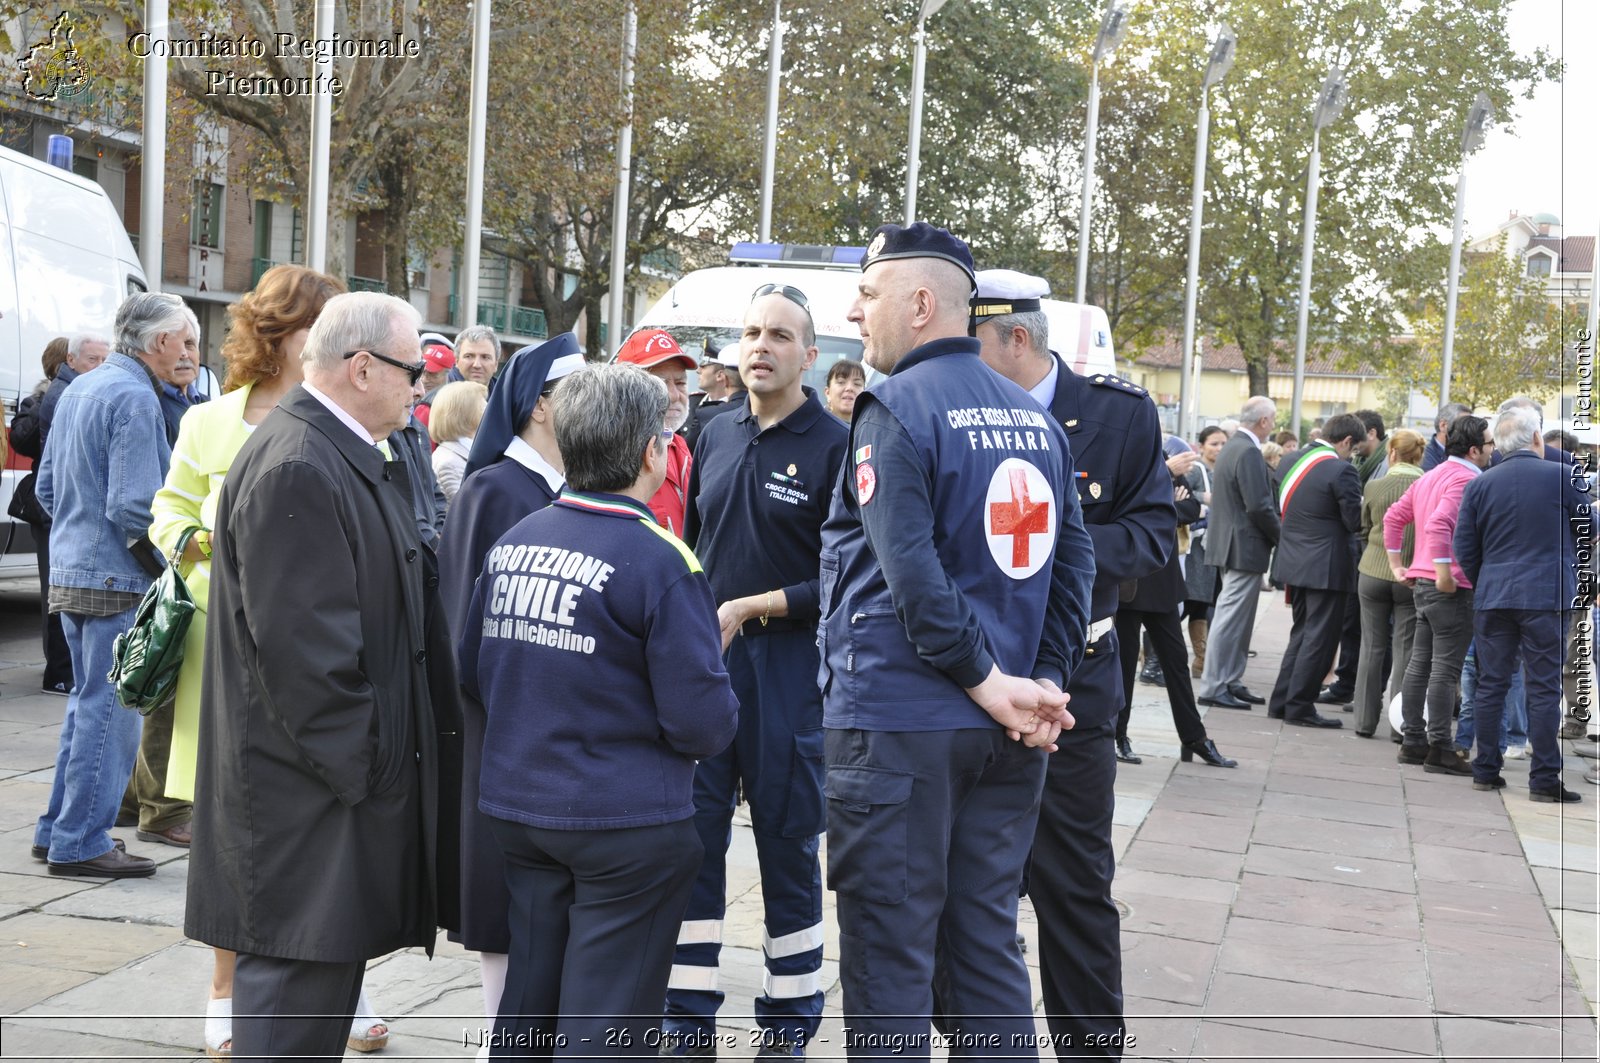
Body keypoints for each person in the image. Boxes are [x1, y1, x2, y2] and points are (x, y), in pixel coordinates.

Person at [818, 224, 1093, 1058]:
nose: (856, 312)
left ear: (920, 303)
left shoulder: (892, 407)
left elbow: (913, 574)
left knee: (890, 957)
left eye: (868, 295)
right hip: (1006, 729)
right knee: (984, 944)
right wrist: (1038, 681)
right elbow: (1074, 559)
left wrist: (987, 679)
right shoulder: (1031, 416)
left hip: (901, 723)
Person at [185, 292, 462, 1061]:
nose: (423, 388)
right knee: (291, 1025)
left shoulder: (334, 452)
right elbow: (307, 662)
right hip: (304, 818)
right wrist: (370, 772)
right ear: (363, 367)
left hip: (323, 807)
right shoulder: (300, 465)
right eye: (414, 370)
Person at [145, 265, 393, 1059]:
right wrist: (200, 548)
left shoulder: (337, 421)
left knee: (312, 849)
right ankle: (227, 992)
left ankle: (329, 992)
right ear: (285, 335)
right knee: (239, 831)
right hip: (227, 640)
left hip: (301, 637)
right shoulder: (216, 421)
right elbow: (168, 511)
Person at [457, 363, 738, 1058]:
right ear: (651, 452)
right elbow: (703, 722)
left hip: (522, 809)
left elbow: (473, 669)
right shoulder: (662, 559)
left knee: (529, 1002)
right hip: (625, 821)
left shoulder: (516, 541)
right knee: (607, 1019)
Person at [971, 268, 1169, 1055]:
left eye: (972, 344)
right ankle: (975, 1035)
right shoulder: (958, 413)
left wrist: (1054, 550)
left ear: (1018, 339)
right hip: (973, 675)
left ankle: (1091, 1046)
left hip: (1074, 683)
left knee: (1073, 879)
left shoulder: (1117, 416)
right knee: (968, 878)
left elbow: (1153, 535)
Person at [662, 283, 848, 1059]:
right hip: (712, 671)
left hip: (790, 676)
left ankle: (789, 1024)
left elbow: (844, 578)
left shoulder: (836, 447)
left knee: (787, 846)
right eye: (750, 332)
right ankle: (686, 1019)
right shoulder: (714, 431)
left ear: (811, 353)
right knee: (694, 843)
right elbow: (694, 550)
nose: (761, 345)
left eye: (779, 334)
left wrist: (752, 605)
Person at [438, 333, 585, 1027]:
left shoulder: (555, 488)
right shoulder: (495, 489)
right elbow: (468, 631)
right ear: (541, 408)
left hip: (546, 737)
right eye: (578, 389)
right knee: (503, 904)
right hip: (503, 736)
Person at [31, 294, 188, 879]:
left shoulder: (82, 387)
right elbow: (136, 506)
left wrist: (79, 539)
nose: (189, 352)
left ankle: (60, 833)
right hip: (114, 577)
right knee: (110, 713)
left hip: (76, 568)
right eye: (186, 340)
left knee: (85, 707)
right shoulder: (132, 395)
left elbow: (48, 490)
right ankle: (80, 841)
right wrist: (167, 568)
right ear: (158, 342)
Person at [1455, 405, 1589, 802]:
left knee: (1490, 684)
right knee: (1543, 687)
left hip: (1494, 595)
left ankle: (1486, 769)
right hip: (1546, 596)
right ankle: (1544, 779)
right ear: (1535, 438)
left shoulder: (1480, 483)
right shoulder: (1563, 476)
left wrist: (1488, 580)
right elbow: (1590, 529)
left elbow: (1464, 546)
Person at [1384, 414, 1495, 774]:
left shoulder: (1431, 475)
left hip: (1424, 583)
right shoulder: (1466, 479)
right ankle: (1439, 747)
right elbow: (1438, 524)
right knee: (1445, 670)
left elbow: (1393, 518)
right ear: (1475, 449)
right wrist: (1444, 571)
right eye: (1490, 444)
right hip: (1450, 585)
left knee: (1421, 663)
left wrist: (1399, 564)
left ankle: (1414, 741)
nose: (1493, 450)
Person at [1112, 450, 1236, 769]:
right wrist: (1166, 484)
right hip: (1129, 578)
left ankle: (1194, 738)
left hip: (1162, 578)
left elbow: (1191, 509)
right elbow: (1126, 504)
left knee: (1176, 662)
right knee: (1124, 665)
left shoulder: (1159, 456)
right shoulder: (1127, 457)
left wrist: (1163, 501)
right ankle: (1117, 735)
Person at [1264, 413, 1365, 728]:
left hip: (1295, 559)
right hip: (1328, 565)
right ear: (1346, 441)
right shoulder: (1341, 469)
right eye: (1354, 449)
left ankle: (1282, 701)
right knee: (1320, 639)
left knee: (1302, 634)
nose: (1353, 456)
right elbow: (1353, 522)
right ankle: (1300, 706)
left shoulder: (1290, 460)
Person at [1197, 397, 1281, 710]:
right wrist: (1280, 535)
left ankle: (1229, 680)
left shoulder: (1235, 447)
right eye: (1271, 420)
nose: (1272, 426)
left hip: (1233, 543)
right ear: (1263, 421)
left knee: (1237, 619)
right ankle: (1216, 684)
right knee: (1230, 620)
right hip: (1241, 545)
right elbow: (1258, 505)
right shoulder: (1246, 450)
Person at [10, 337, 75, 696]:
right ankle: (58, 672)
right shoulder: (45, 400)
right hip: (48, 506)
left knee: (55, 587)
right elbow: (22, 439)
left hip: (52, 506)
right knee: (54, 588)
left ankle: (60, 667)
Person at [1352, 429, 1425, 739]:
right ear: (1418, 455)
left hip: (1372, 571)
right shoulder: (1427, 487)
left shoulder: (1374, 486)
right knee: (1406, 652)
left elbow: (1365, 526)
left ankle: (1364, 722)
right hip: (1409, 576)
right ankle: (1400, 726)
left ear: (1392, 454)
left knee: (1371, 647)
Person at [616, 328, 697, 536]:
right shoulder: (612, 457)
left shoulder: (680, 446)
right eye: (660, 384)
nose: (673, 395)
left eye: (680, 383)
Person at [1183, 425, 1227, 679]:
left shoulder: (1219, 470)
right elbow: (1181, 495)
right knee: (1188, 602)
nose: (1219, 449)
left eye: (1222, 444)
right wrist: (1204, 496)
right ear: (1201, 446)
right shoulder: (1196, 469)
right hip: (1194, 547)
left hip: (1211, 547)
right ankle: (1153, 655)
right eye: (1213, 444)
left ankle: (1200, 660)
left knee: (1201, 602)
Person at [429, 380, 490, 508]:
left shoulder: (474, 450)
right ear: (465, 413)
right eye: (484, 407)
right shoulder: (448, 462)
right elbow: (467, 510)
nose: (489, 412)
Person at [412, 332, 457, 431]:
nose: (424, 379)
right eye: (423, 372)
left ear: (448, 375)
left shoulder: (426, 408)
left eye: (433, 374)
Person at [1420, 401, 1471, 471]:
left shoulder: (1470, 453)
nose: (1469, 430)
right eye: (1463, 425)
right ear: (1443, 425)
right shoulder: (1425, 456)